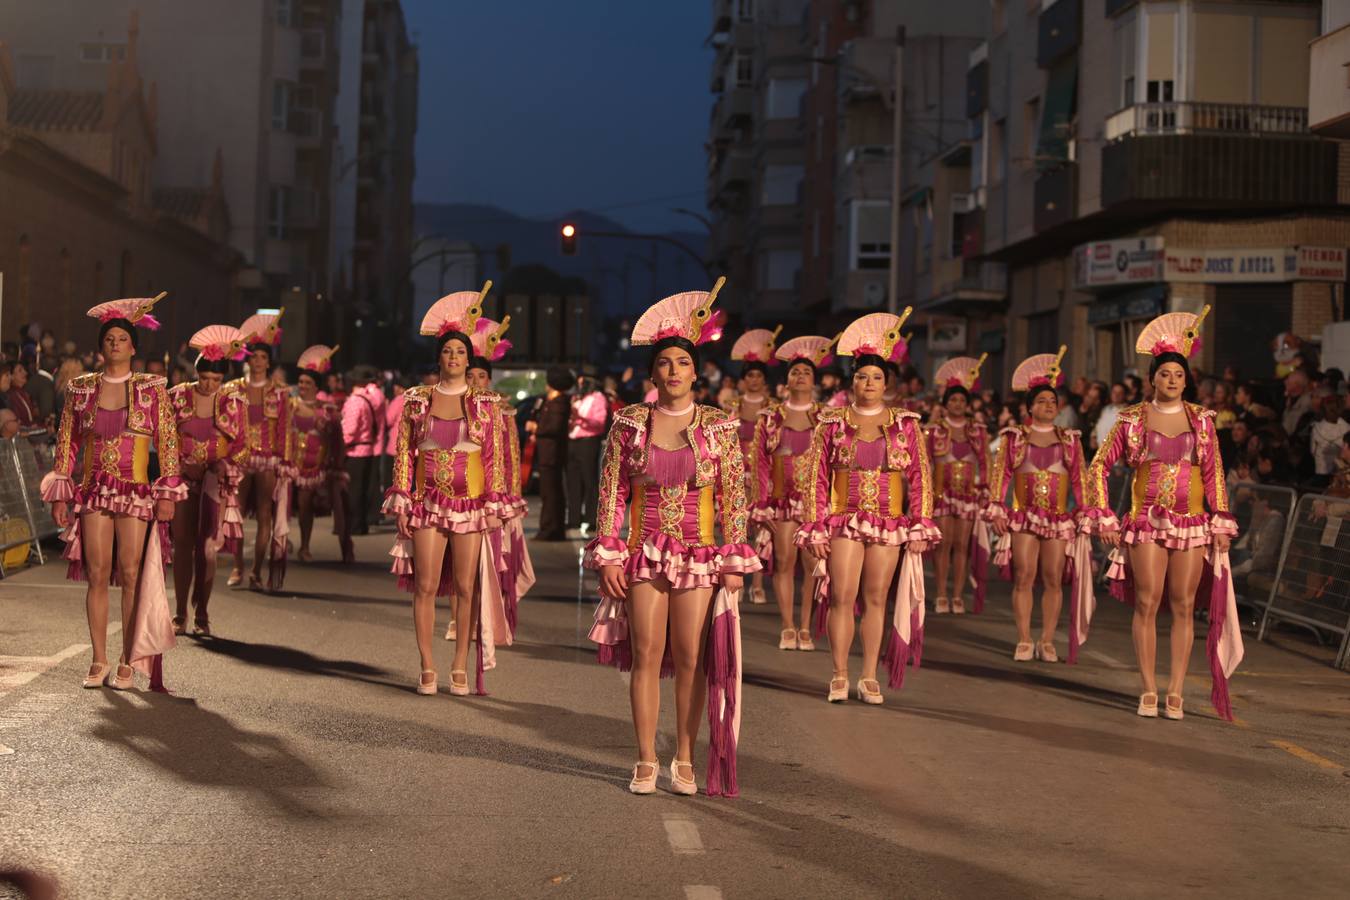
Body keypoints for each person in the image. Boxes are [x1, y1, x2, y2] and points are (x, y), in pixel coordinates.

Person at [585, 278, 755, 797]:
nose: (673, 371)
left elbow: (734, 499)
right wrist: (610, 554)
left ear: (696, 369)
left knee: (690, 657)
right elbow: (611, 492)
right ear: (652, 371)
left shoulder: (720, 426)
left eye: (682, 363)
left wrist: (733, 559)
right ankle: (643, 758)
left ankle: (683, 754)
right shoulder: (628, 424)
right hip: (642, 553)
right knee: (645, 651)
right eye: (664, 363)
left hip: (700, 555)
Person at [1086, 306, 1242, 721]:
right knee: (1148, 602)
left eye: (1179, 375)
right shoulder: (1131, 419)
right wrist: (1102, 513)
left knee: (1184, 604)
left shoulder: (1203, 422)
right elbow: (1099, 464)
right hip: (1145, 524)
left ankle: (1176, 689)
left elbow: (1214, 474)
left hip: (1191, 524)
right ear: (1152, 377)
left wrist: (1221, 518)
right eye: (1164, 374)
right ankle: (1148, 688)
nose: (1172, 381)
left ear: (1186, 380)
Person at [40, 293, 183, 690]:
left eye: (122, 338)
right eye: (109, 339)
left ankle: (127, 657)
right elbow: (66, 442)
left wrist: (168, 492)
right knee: (98, 574)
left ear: (133, 347)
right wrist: (61, 495)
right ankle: (98, 657)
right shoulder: (80, 388)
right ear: (101, 347)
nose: (115, 344)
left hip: (135, 490)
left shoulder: (152, 388)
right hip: (92, 491)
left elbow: (168, 442)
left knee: (132, 573)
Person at [796, 309, 936, 705]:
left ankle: (869, 675)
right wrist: (816, 525)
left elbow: (922, 477)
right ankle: (840, 674)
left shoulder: (906, 423)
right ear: (851, 381)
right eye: (861, 376)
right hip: (842, 521)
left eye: (876, 377)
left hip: (889, 522)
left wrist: (920, 524)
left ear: (887, 383)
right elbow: (815, 477)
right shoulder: (831, 422)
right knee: (842, 595)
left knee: (876, 598)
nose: (869, 383)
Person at [384, 283, 511, 697]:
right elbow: (403, 452)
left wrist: (494, 503)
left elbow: (493, 457)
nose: (454, 358)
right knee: (423, 585)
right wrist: (402, 497)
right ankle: (426, 665)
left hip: (470, 504)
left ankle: (459, 664)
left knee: (465, 586)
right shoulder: (417, 400)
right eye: (447, 352)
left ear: (469, 358)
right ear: (438, 358)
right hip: (425, 503)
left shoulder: (487, 402)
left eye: (460, 352)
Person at [986, 347, 1094, 663]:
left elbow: (1080, 480)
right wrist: (997, 508)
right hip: (1022, 516)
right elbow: (1000, 476)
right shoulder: (1014, 437)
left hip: (1058, 518)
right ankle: (1023, 637)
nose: (1048, 405)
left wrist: (1085, 512)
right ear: (1030, 407)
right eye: (1041, 401)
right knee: (1024, 575)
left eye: (1052, 401)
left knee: (1053, 577)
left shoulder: (1070, 439)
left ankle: (1046, 639)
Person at [444, 316, 533, 643]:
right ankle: (456, 620)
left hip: (492, 497)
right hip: (457, 495)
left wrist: (508, 500)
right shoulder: (448, 405)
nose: (477, 380)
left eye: (483, 375)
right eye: (472, 375)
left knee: (487, 566)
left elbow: (509, 457)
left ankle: (483, 620)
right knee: (457, 566)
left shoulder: (502, 411)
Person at [749, 335, 834, 651]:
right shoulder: (771, 417)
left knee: (812, 564)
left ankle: (805, 626)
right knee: (784, 562)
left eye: (806, 373)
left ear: (814, 380)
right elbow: (759, 461)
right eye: (795, 372)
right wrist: (761, 503)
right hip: (782, 501)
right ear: (786, 379)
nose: (800, 376)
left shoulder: (828, 417)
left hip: (815, 504)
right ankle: (787, 626)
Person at [168, 325, 248, 636]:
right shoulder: (177, 397)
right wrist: (178, 466)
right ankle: (179, 612)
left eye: (216, 380)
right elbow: (164, 439)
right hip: (183, 479)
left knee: (207, 548)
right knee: (183, 544)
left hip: (215, 480)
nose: (210, 385)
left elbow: (242, 446)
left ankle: (201, 609)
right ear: (196, 372)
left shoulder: (232, 401)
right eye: (205, 379)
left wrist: (223, 465)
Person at [225, 312, 292, 592]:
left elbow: (285, 428)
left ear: (269, 361)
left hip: (267, 457)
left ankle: (255, 570)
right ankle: (238, 565)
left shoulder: (280, 392)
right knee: (236, 513)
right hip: (240, 458)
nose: (258, 361)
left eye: (263, 357)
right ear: (248, 360)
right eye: (254, 357)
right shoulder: (232, 389)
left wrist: (285, 461)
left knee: (265, 513)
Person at [926, 355, 992, 615]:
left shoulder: (978, 430)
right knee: (944, 545)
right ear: (945, 404)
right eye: (952, 399)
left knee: (962, 546)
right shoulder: (934, 430)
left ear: (967, 404)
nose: (957, 404)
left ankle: (957, 595)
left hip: (967, 494)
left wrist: (985, 489)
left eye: (961, 400)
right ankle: (941, 593)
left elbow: (986, 461)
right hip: (942, 493)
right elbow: (926, 462)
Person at [729, 327, 779, 605]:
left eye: (759, 375)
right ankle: (735, 572)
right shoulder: (732, 406)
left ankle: (757, 581)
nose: (755, 379)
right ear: (743, 379)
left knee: (762, 527)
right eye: (750, 375)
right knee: (737, 525)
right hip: (736, 472)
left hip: (763, 472)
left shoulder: (773, 406)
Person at [292, 345, 351, 564]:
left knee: (317, 505)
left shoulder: (327, 411)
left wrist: (336, 464)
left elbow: (337, 440)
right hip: (290, 463)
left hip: (315, 466)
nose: (302, 386)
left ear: (317, 387)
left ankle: (310, 546)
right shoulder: (289, 406)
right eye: (300, 382)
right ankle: (280, 541)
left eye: (307, 383)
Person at [530, 367, 573, 541]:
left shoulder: (560, 403)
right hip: (548, 453)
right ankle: (551, 528)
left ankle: (550, 529)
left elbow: (554, 427)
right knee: (549, 492)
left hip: (552, 454)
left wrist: (536, 429)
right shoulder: (548, 401)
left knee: (551, 493)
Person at [342, 366, 382, 535]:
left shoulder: (354, 401)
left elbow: (349, 430)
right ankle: (361, 524)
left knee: (354, 491)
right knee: (362, 489)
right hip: (366, 449)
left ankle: (354, 525)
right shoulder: (368, 399)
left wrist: (340, 444)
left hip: (355, 451)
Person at [567, 375, 608, 538]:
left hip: (588, 441)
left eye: (582, 382)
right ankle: (574, 518)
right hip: (573, 441)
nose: (579, 384)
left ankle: (592, 519)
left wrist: (580, 418)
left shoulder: (598, 398)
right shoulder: (579, 398)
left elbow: (599, 422)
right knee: (572, 480)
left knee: (589, 480)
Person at [1310, 394, 1349, 489]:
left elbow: (1313, 450)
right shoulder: (1347, 428)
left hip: (1322, 471)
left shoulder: (1316, 428)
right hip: (1341, 471)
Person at [7, 360, 38, 427]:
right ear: (11, 376)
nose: (25, 373)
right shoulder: (10, 396)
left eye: (24, 370)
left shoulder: (24, 392)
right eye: (20, 370)